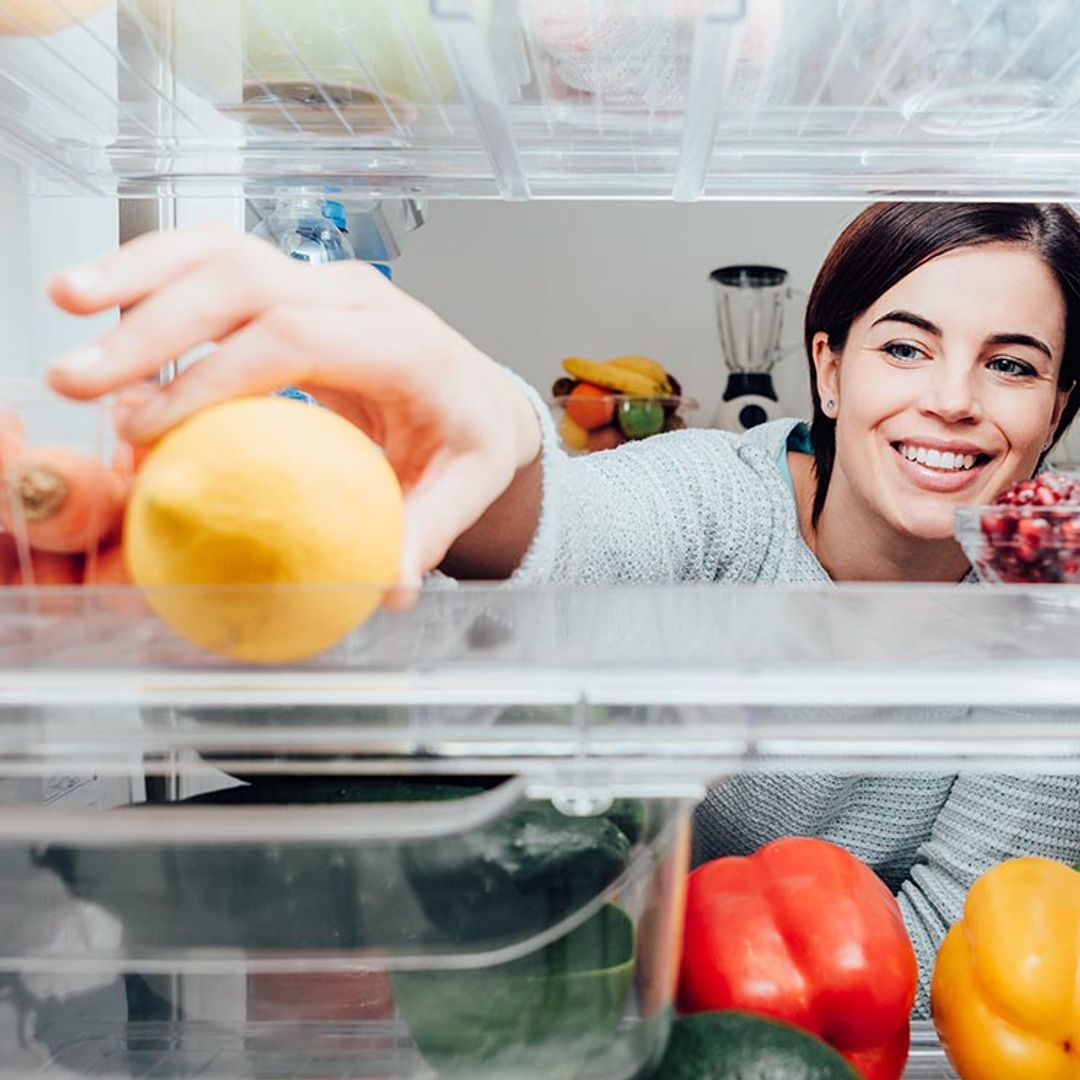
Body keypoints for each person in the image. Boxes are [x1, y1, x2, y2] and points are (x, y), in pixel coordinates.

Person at [45, 202, 1080, 1013]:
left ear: (1057, 414)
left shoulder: (1055, 606)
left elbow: (977, 943)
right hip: (595, 1002)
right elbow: (573, 531)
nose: (953, 397)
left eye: (1011, 365)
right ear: (828, 367)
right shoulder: (721, 495)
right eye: (905, 346)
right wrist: (493, 435)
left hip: (817, 1033)